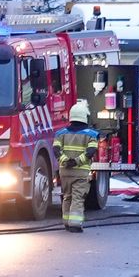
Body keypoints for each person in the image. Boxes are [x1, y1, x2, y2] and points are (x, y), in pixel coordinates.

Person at [54, 100, 97, 234]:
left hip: (65, 171)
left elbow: (56, 150)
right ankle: (75, 224)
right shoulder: (91, 134)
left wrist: (66, 161)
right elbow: (90, 152)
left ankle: (66, 221)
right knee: (78, 197)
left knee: (67, 196)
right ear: (85, 117)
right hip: (81, 172)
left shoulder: (60, 133)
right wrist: (77, 161)